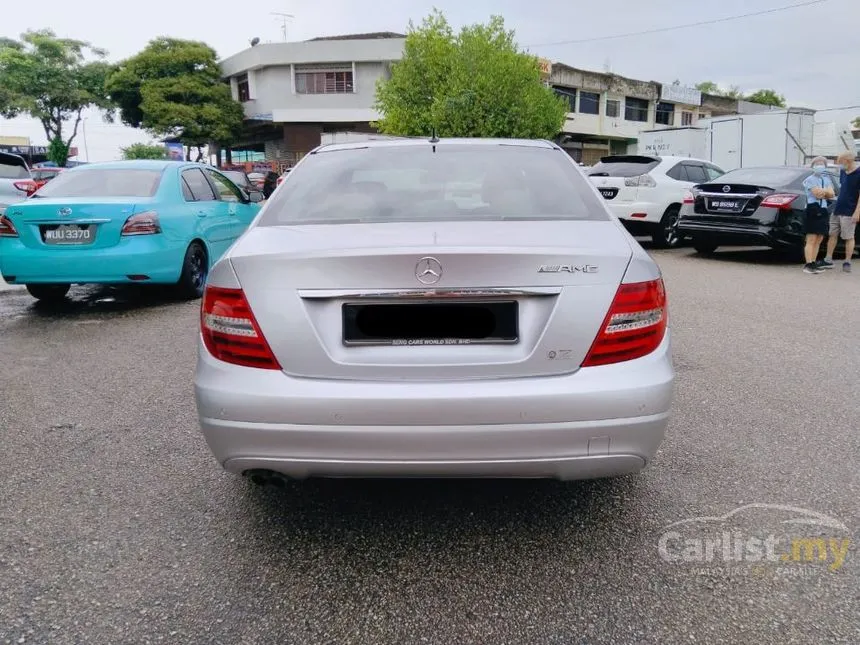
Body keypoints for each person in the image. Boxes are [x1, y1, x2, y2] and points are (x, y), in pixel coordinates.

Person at [821, 151, 860, 272]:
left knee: (848, 237)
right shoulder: (843, 171)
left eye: (841, 162)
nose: (840, 165)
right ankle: (828, 259)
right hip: (837, 209)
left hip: (850, 210)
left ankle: (847, 262)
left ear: (848, 161)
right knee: (832, 234)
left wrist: (857, 212)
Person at [801, 157, 836, 274]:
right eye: (817, 164)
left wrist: (825, 192)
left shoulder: (826, 179)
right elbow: (817, 194)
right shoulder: (809, 179)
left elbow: (832, 194)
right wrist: (825, 192)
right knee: (811, 238)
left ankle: (814, 262)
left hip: (823, 209)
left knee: (819, 238)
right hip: (812, 209)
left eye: (822, 164)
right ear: (813, 166)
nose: (820, 165)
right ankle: (808, 264)